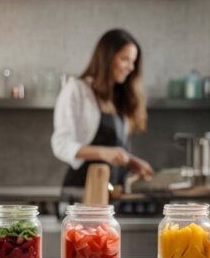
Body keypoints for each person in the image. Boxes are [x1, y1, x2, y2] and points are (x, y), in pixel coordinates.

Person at [52, 28, 154, 189]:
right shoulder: (77, 90)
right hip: (83, 190)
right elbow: (61, 144)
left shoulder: (119, 96)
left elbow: (115, 149)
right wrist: (102, 152)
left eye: (133, 61)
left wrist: (131, 161)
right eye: (125, 59)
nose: (131, 67)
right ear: (107, 58)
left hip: (113, 192)